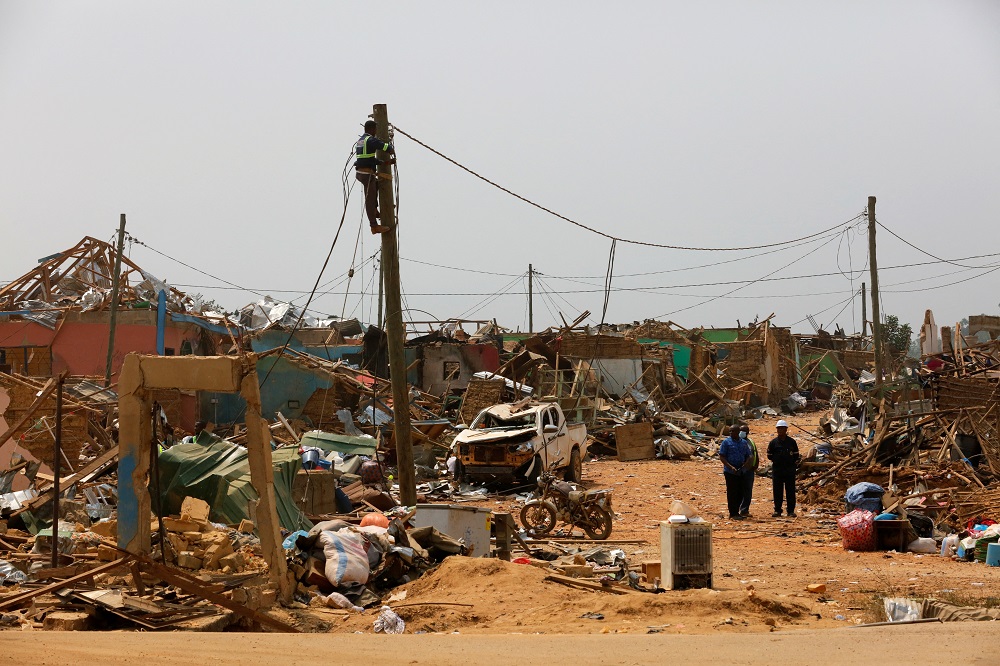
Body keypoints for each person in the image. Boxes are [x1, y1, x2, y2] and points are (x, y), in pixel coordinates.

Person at [355, 119, 394, 234]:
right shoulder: (371, 140)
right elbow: (384, 147)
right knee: (370, 199)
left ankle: (375, 211)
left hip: (362, 173)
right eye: (375, 129)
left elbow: (367, 158)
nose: (376, 131)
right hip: (367, 174)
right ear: (372, 129)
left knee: (376, 185)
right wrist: (390, 147)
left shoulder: (361, 141)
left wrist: (385, 163)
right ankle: (374, 226)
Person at [718, 424, 753, 520]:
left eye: (732, 431)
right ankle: (732, 513)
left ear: (738, 432)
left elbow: (748, 455)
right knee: (732, 492)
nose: (731, 433)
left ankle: (737, 511)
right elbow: (722, 456)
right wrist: (730, 467)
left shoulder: (743, 443)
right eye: (730, 431)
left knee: (740, 492)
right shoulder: (726, 442)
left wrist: (745, 464)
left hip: (741, 471)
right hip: (730, 472)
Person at [767, 419, 800, 517]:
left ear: (786, 429)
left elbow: (796, 455)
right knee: (777, 491)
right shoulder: (773, 443)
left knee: (790, 490)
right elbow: (769, 455)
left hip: (789, 470)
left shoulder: (791, 442)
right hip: (777, 470)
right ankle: (777, 510)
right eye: (779, 429)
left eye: (782, 428)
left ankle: (790, 511)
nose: (780, 430)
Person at [738, 424, 759, 517]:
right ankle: (735, 509)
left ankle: (744, 510)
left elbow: (755, 453)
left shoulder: (750, 442)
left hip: (749, 470)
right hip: (738, 470)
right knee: (738, 490)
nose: (742, 433)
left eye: (744, 431)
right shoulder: (736, 442)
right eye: (741, 431)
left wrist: (755, 465)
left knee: (747, 490)